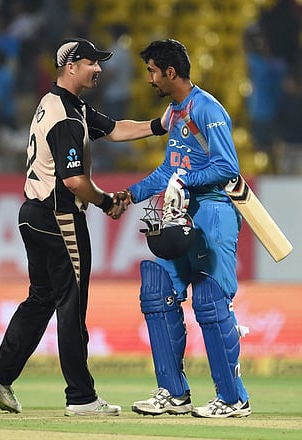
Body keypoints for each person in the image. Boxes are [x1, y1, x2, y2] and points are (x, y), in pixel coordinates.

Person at [0, 37, 170, 417]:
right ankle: (81, 397)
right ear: (70, 67)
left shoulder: (62, 104)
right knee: (71, 305)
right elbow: (74, 181)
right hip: (59, 216)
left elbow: (115, 129)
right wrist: (107, 202)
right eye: (91, 62)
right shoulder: (66, 116)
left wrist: (160, 124)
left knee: (42, 299)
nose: (98, 69)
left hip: (33, 214)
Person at [115, 39, 252, 418]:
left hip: (213, 211)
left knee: (209, 299)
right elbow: (168, 169)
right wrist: (131, 194)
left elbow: (227, 167)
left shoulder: (207, 108)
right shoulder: (175, 113)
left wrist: (184, 180)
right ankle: (174, 394)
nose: (149, 79)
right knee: (157, 292)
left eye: (152, 71)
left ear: (170, 72)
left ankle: (233, 398)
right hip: (180, 213)